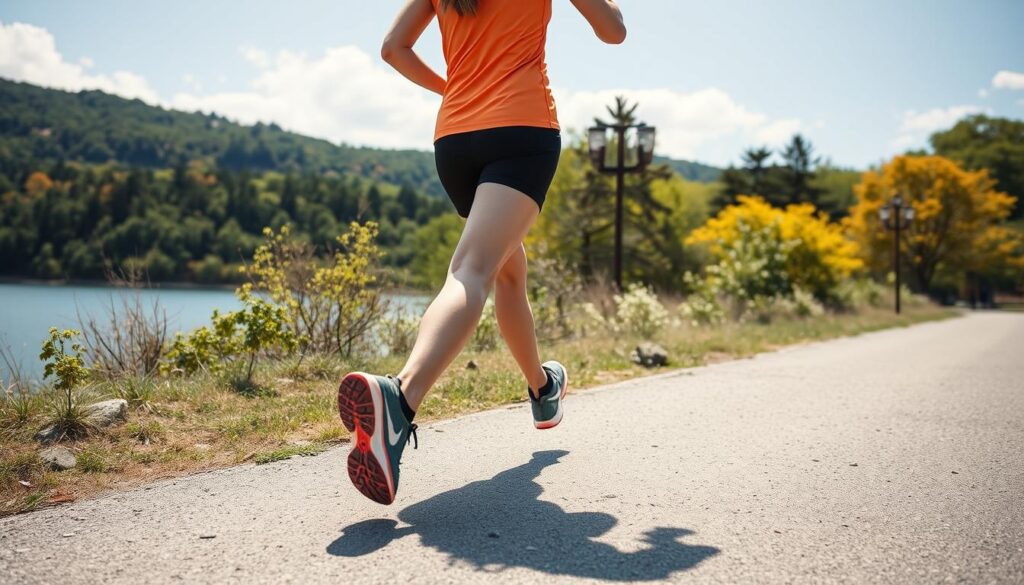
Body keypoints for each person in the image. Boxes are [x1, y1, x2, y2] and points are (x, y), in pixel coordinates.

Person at [337, 0, 627, 505]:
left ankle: (542, 389)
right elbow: (613, 32)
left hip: (456, 141)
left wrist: (454, 88)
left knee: (508, 272)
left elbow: (393, 49)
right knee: (471, 269)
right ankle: (400, 399)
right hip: (520, 131)